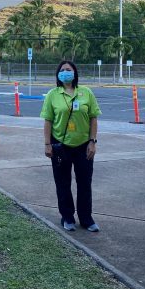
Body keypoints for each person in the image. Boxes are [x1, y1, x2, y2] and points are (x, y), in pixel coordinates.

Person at [41, 60, 101, 232]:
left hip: (84, 146)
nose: (65, 72)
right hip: (60, 146)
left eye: (69, 70)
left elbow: (93, 118)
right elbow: (48, 121)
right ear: (58, 75)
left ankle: (86, 218)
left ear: (75, 73)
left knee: (84, 183)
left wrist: (92, 141)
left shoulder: (86, 93)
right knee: (62, 183)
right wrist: (47, 144)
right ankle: (67, 217)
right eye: (62, 70)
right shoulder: (53, 94)